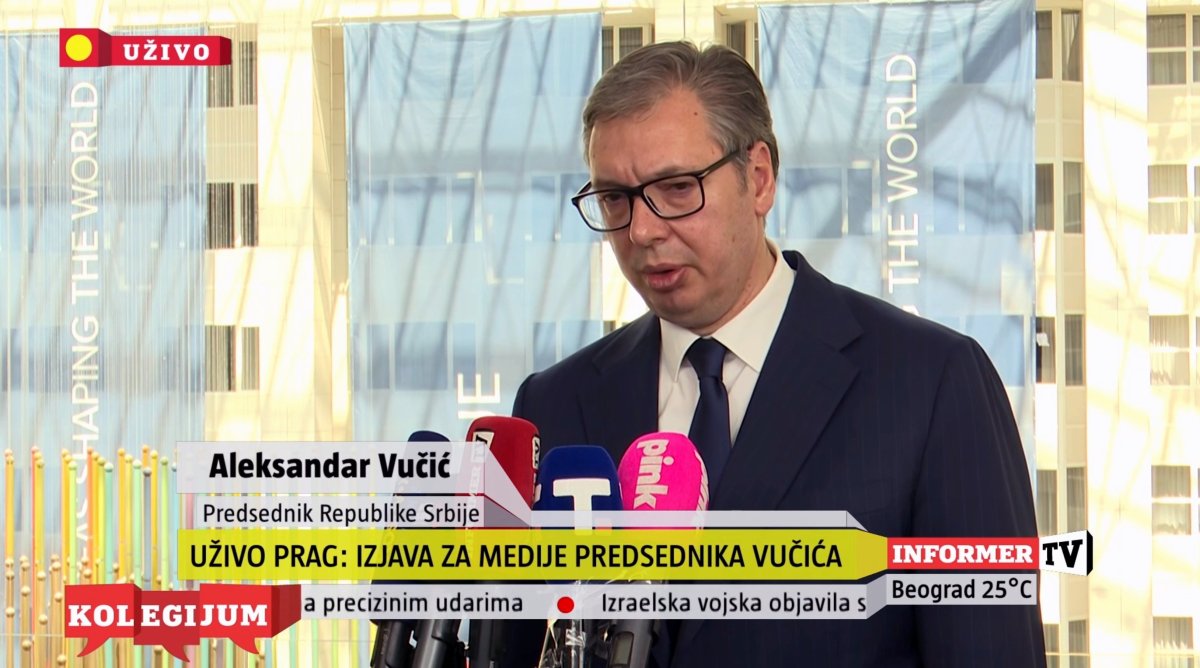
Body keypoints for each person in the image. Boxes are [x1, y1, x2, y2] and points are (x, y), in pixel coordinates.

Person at [508, 41, 1046, 667]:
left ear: (758, 177)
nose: (642, 231)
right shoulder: (554, 404)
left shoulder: (932, 384)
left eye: (676, 189)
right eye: (614, 199)